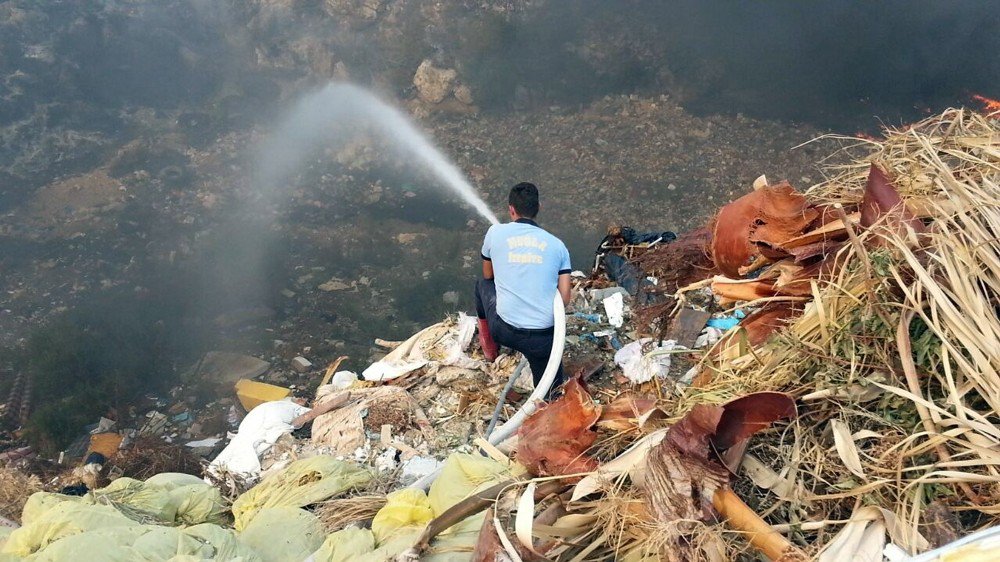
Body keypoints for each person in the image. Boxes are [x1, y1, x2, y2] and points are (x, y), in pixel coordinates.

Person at [475, 182, 572, 393]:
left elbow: (488, 275)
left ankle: (489, 347)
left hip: (504, 330)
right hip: (542, 339)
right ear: (539, 207)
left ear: (511, 209)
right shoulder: (557, 245)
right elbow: (564, 297)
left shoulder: (495, 232)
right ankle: (548, 406)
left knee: (481, 286)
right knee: (550, 391)